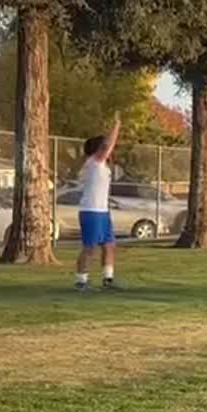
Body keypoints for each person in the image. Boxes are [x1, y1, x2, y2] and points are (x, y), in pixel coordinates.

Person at [75, 114, 121, 291]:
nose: (107, 150)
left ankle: (108, 280)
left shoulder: (102, 166)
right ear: (97, 149)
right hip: (91, 211)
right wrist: (117, 125)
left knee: (109, 246)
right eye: (102, 147)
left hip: (102, 212)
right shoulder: (93, 163)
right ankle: (81, 281)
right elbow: (108, 146)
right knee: (90, 248)